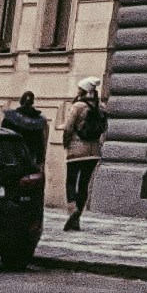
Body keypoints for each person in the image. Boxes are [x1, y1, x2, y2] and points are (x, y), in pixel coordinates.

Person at [61, 81, 108, 230]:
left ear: (82, 91)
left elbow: (68, 127)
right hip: (93, 152)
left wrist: (66, 143)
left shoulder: (78, 106)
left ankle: (72, 210)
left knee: (70, 181)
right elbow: (104, 127)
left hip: (77, 150)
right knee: (83, 184)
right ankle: (78, 218)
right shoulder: (101, 107)